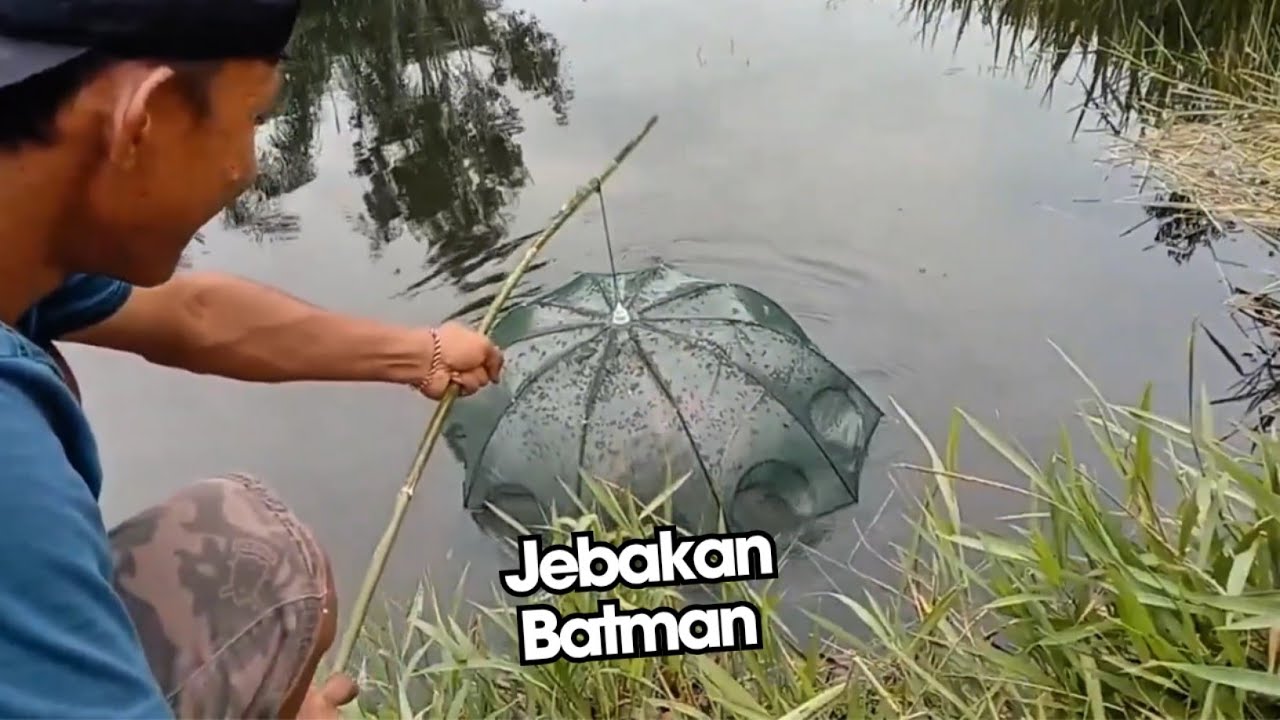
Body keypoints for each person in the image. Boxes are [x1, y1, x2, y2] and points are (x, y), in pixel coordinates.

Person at [0, 0, 504, 717]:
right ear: (149, 114)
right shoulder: (9, 471)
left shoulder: (21, 237)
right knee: (275, 568)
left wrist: (416, 352)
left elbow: (192, 315)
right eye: (254, 120)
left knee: (257, 553)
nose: (249, 170)